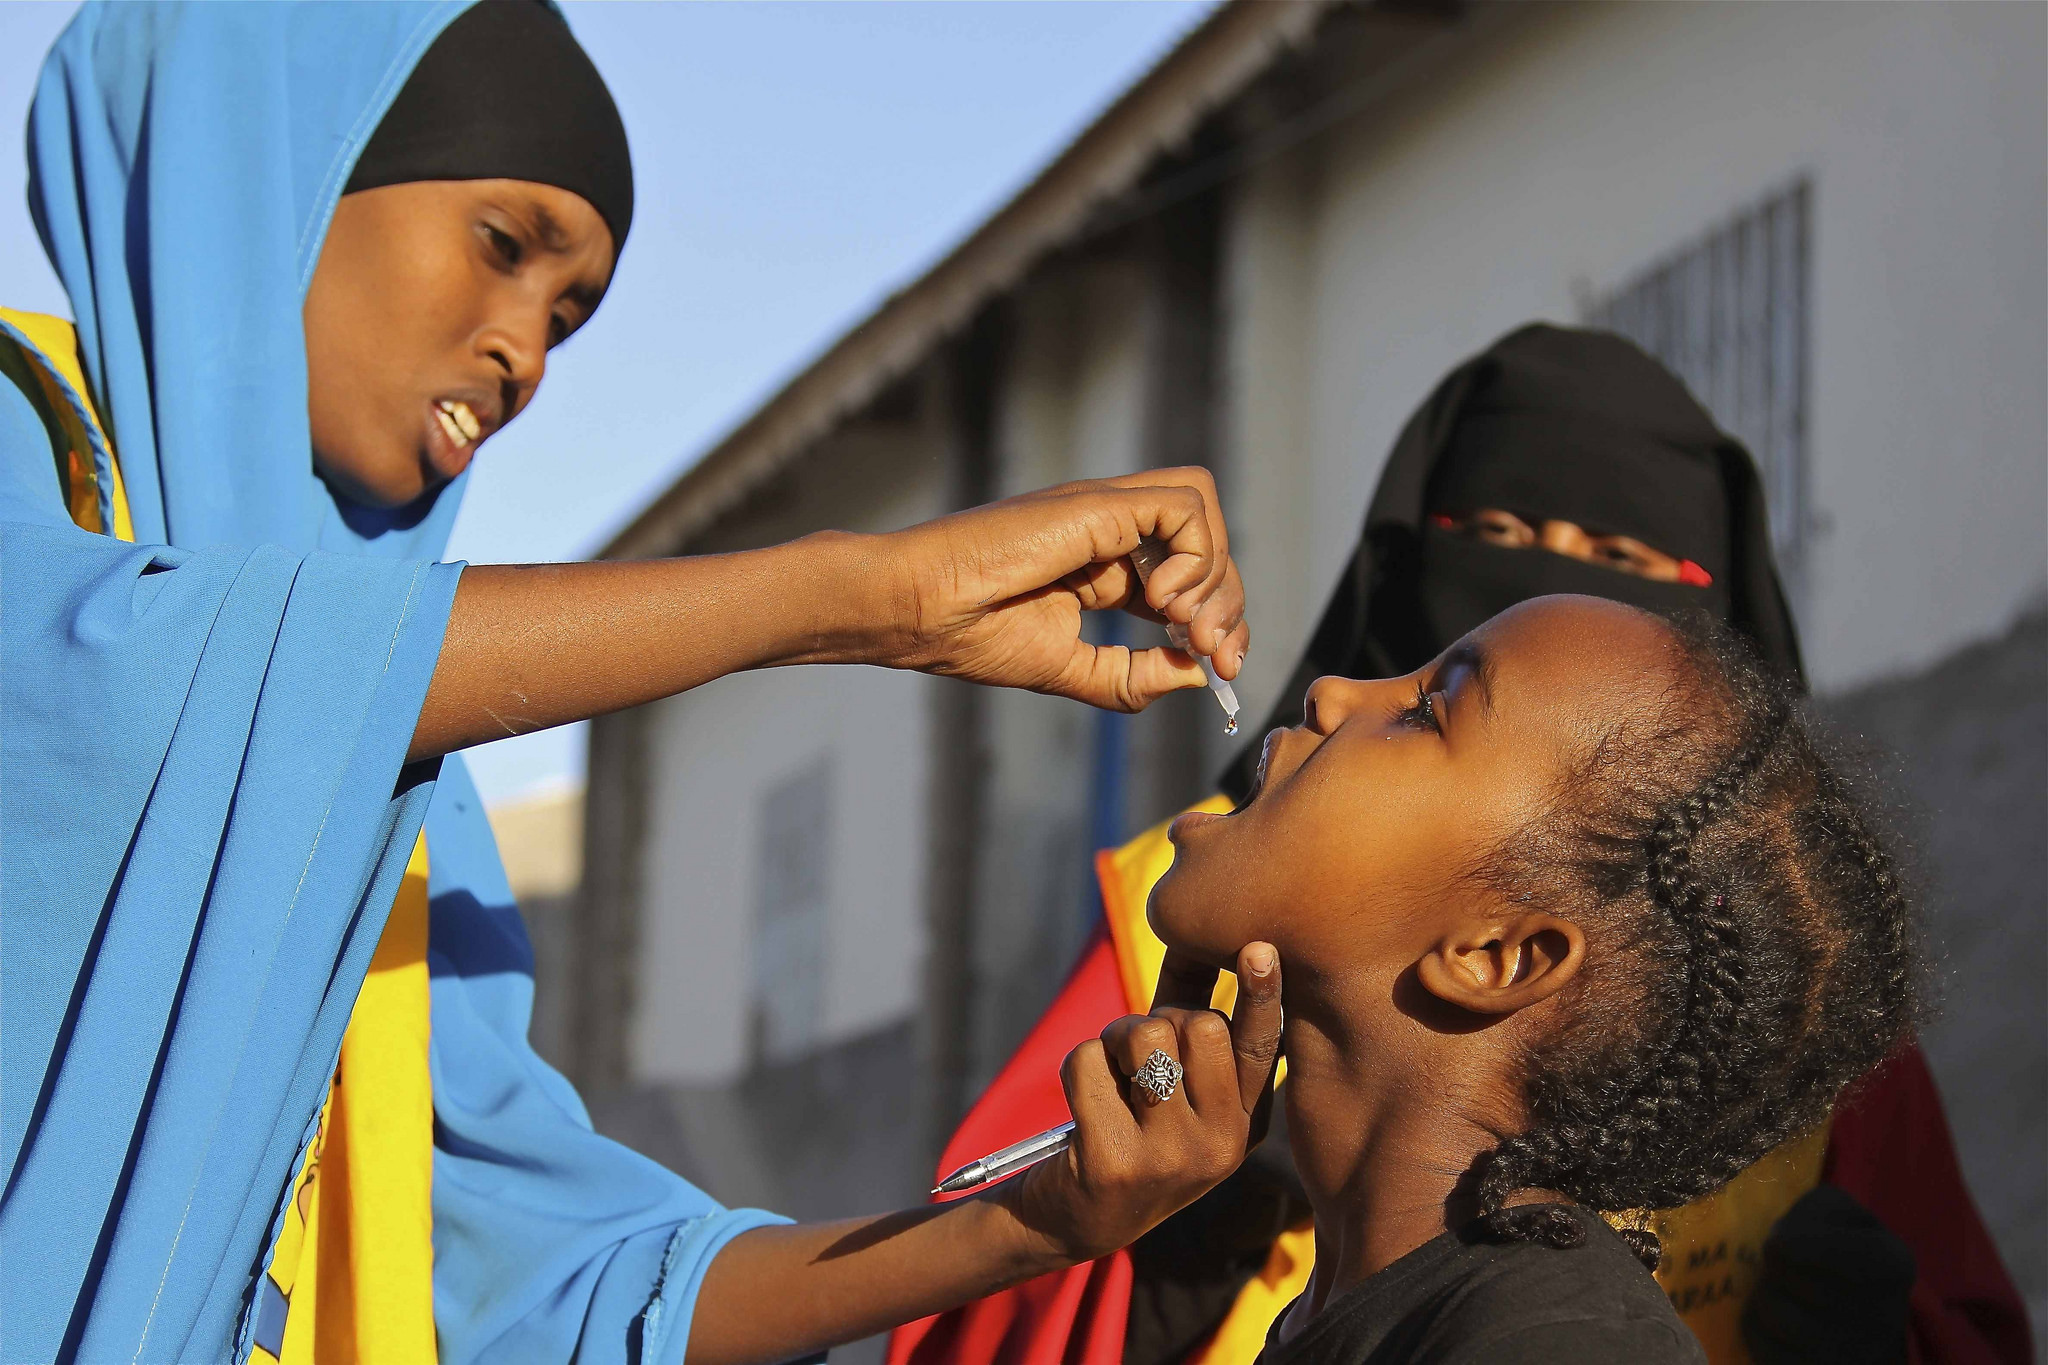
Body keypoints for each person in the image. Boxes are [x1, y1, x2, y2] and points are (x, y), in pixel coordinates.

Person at [0, 4, 1270, 1362]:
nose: (527, 357)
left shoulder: (408, 802)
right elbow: (122, 697)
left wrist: (1035, 1221)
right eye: (503, 245)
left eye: (569, 314)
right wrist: (859, 597)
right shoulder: (39, 460)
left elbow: (574, 1283)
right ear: (275, 163)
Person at [895, 325, 2030, 1365]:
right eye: (1496, 533)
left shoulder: (1779, 1039)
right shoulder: (1187, 897)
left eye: (1627, 562)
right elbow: (924, 1316)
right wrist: (1160, 1261)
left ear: (1498, 955)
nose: (1333, 693)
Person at [1149, 593, 1920, 1364]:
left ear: (1495, 955)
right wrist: (1039, 1225)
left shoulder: (1556, 1344)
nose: (1330, 692)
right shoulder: (1354, 1313)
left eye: (1427, 710)